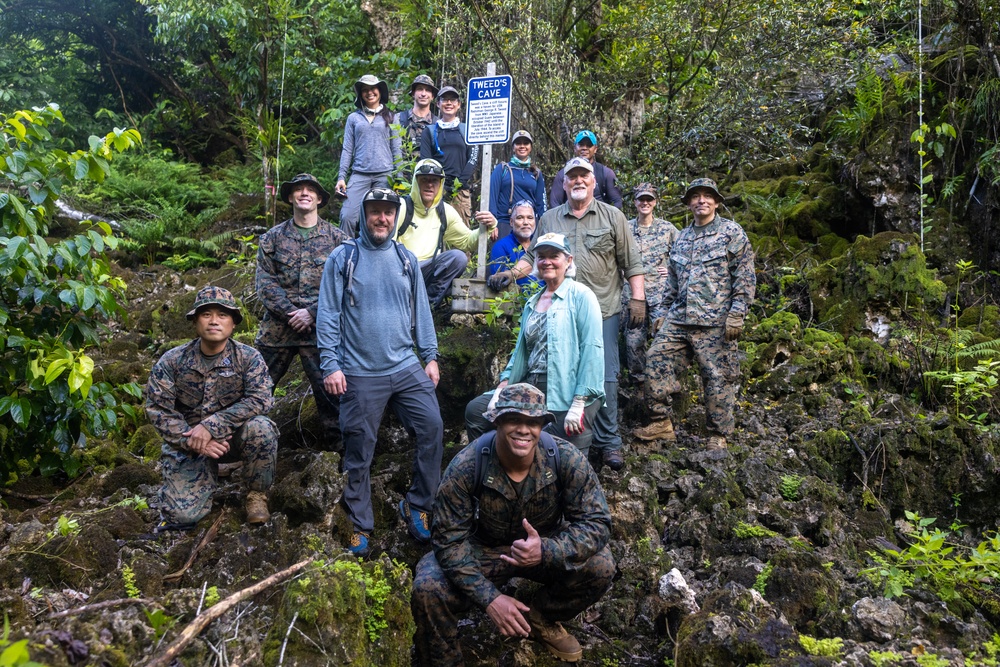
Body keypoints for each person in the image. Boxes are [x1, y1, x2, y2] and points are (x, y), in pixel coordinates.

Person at [413, 383, 615, 666]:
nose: (524, 430)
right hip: (484, 551)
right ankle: (444, 660)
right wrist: (491, 599)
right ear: (497, 421)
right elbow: (448, 541)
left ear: (542, 426)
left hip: (542, 550)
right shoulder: (467, 466)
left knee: (601, 565)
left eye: (533, 422)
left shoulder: (565, 458)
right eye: (513, 420)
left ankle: (540, 617)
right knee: (428, 587)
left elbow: (597, 523)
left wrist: (547, 550)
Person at [494, 157, 645, 471]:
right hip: (558, 312)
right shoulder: (549, 218)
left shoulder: (613, 216)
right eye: (571, 177)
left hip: (601, 309)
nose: (578, 181)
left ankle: (609, 442)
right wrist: (510, 274)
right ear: (563, 183)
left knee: (604, 376)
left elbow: (631, 263)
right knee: (558, 372)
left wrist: (638, 299)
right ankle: (561, 433)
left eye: (584, 177)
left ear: (593, 182)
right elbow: (533, 259)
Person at [316, 188, 443, 557]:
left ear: (396, 217)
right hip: (358, 371)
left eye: (389, 212)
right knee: (359, 449)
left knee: (432, 426)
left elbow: (422, 311)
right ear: (364, 214)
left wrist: (430, 356)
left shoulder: (405, 258)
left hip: (405, 366)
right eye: (375, 211)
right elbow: (327, 314)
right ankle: (360, 525)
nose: (382, 218)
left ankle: (418, 505)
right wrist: (331, 364)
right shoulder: (344, 258)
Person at [633, 178, 756, 450]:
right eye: (696, 196)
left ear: (717, 202)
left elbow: (745, 277)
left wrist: (737, 313)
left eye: (708, 196)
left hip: (715, 321)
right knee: (654, 359)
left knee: (717, 377)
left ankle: (718, 434)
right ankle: (661, 423)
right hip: (679, 319)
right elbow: (672, 282)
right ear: (688, 203)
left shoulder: (731, 233)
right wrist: (662, 313)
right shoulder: (682, 236)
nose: (702, 200)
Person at [145, 286, 278, 530]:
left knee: (261, 428)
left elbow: (261, 399)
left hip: (232, 440)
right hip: (189, 443)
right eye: (206, 315)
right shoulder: (172, 360)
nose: (214, 321)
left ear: (233, 323)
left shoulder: (249, 358)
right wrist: (193, 440)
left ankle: (256, 495)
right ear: (195, 321)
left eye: (222, 315)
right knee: (183, 518)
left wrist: (211, 426)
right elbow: (157, 409)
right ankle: (206, 474)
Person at [467, 233, 604, 455]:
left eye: (554, 256)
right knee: (477, 411)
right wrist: (501, 389)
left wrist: (580, 401)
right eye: (541, 256)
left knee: (564, 453)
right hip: (532, 385)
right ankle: (498, 470)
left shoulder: (582, 296)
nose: (547, 261)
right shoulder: (533, 301)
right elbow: (521, 352)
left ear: (568, 261)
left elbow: (593, 349)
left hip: (568, 389)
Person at [256, 173, 348, 446]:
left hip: (321, 332)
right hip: (277, 330)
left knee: (333, 397)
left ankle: (339, 456)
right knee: (253, 390)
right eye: (298, 190)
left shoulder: (337, 239)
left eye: (311, 190)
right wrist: (290, 313)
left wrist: (313, 312)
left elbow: (346, 284)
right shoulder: (272, 238)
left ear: (319, 199)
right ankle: (236, 452)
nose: (304, 193)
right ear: (290, 198)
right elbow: (265, 283)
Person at [395, 158, 498, 308]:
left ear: (440, 185)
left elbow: (468, 242)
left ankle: (427, 308)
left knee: (458, 258)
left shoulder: (445, 212)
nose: (429, 185)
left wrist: (487, 226)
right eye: (424, 180)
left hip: (428, 271)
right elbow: (386, 246)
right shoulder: (401, 207)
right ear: (416, 182)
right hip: (402, 270)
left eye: (435, 181)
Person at [621, 183, 679, 385]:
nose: (645, 203)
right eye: (641, 199)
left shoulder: (667, 229)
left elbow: (683, 253)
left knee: (663, 337)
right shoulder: (625, 228)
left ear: (655, 202)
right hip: (632, 296)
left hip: (659, 296)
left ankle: (664, 379)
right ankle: (638, 382)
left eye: (649, 199)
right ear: (635, 202)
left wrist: (671, 268)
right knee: (633, 341)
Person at [336, 74, 402, 236]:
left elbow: (397, 149)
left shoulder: (392, 117)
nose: (369, 92)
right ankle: (346, 255)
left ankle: (383, 255)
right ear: (360, 94)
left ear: (380, 91)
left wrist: (399, 180)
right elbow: (347, 149)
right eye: (365, 90)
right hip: (359, 175)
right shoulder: (353, 118)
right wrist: (341, 177)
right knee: (347, 216)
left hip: (384, 175)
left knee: (383, 220)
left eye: (373, 88)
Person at [419, 85, 479, 224]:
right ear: (438, 104)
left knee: (461, 238)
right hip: (435, 190)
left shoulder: (468, 130)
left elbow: (473, 158)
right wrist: (440, 185)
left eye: (453, 100)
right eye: (445, 99)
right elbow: (426, 161)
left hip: (460, 192)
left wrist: (458, 183)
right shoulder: (430, 131)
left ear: (458, 105)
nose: (449, 103)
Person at [487, 130, 546, 238]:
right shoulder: (502, 169)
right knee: (503, 254)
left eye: (526, 143)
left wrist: (543, 226)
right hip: (504, 223)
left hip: (529, 225)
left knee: (529, 255)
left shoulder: (536, 173)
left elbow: (541, 204)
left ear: (530, 147)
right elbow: (492, 196)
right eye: (518, 143)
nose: (522, 146)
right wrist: (492, 224)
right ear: (513, 147)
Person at [548, 130, 623, 210]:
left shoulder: (606, 173)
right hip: (571, 218)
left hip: (598, 218)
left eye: (589, 145)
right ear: (574, 148)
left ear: (595, 149)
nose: (584, 148)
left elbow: (617, 202)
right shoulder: (563, 174)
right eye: (581, 145)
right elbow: (554, 204)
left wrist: (606, 220)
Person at [486, 200, 541, 292]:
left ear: (535, 222)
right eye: (520, 218)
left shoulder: (541, 245)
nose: (526, 222)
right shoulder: (501, 247)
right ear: (511, 222)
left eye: (530, 218)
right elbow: (500, 281)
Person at [395, 74, 438, 161]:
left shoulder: (438, 123)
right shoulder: (399, 119)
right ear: (413, 94)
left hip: (429, 173)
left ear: (432, 96)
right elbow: (394, 150)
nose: (423, 94)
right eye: (420, 89)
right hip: (403, 172)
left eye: (428, 90)